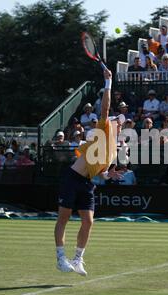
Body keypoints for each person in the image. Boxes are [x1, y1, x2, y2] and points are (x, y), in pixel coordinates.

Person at [54, 68, 123, 276]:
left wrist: (107, 175)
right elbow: (106, 107)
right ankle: (60, 258)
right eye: (117, 121)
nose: (119, 123)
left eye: (122, 123)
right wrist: (108, 83)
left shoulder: (112, 153)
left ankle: (78, 259)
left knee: (89, 221)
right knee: (64, 218)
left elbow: (99, 173)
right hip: (72, 177)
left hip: (87, 184)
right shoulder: (103, 129)